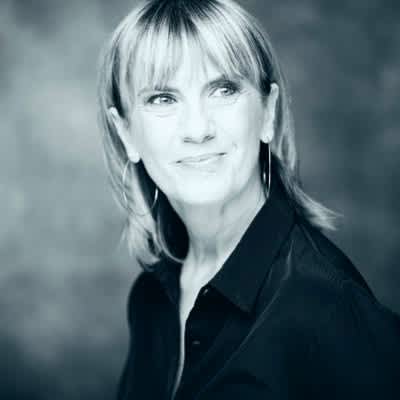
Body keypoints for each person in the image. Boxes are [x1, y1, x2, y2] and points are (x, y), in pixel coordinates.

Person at [97, 0, 400, 399]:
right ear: (126, 133)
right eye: (163, 98)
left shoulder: (327, 305)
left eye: (224, 89)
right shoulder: (152, 296)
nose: (197, 129)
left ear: (268, 113)